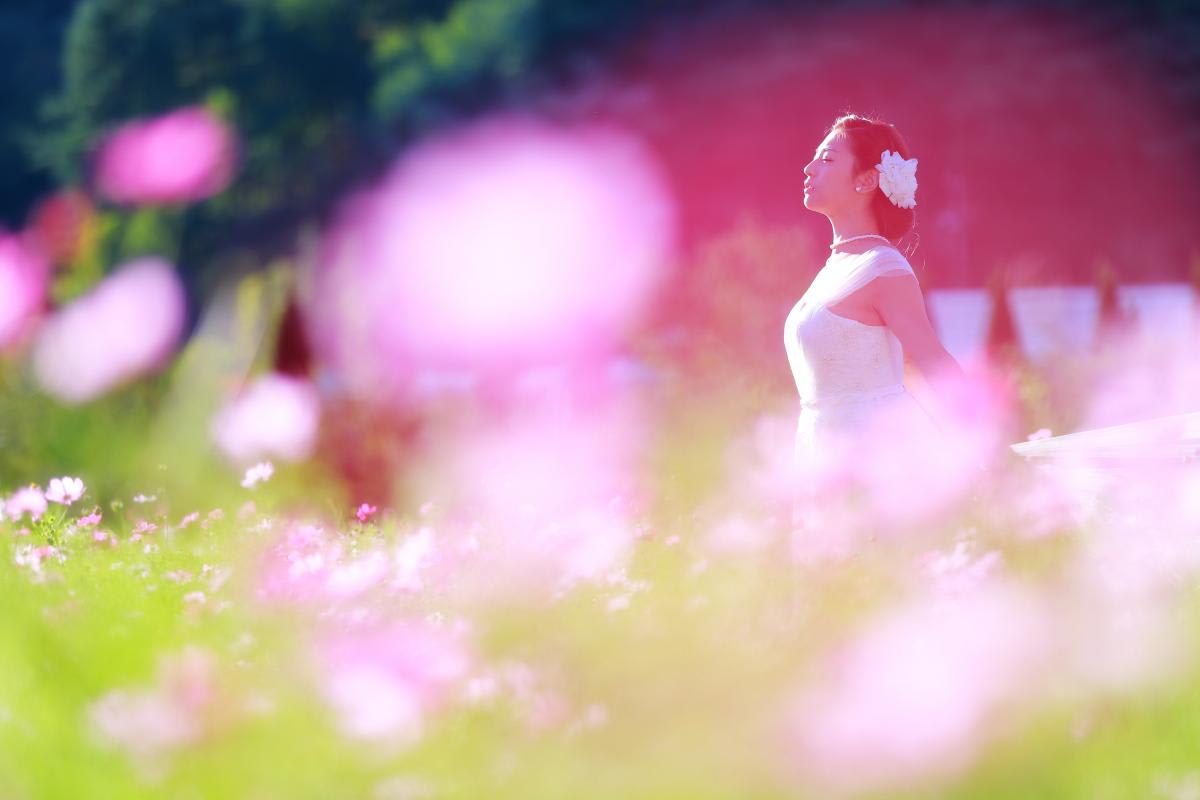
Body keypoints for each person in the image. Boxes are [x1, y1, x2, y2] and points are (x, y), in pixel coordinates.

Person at [785, 113, 967, 521]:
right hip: (822, 448)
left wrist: (983, 446)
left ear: (866, 180)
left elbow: (933, 361)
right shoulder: (835, 268)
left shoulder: (883, 268)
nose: (809, 168)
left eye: (827, 159)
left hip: (869, 454)